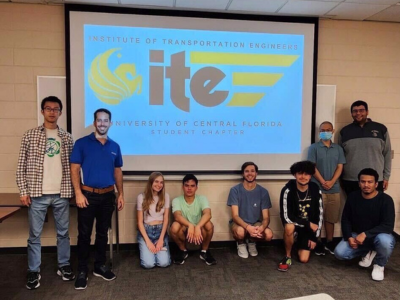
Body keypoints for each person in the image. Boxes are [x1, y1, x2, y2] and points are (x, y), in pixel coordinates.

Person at [16, 96, 75, 290]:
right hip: (37, 194)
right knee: (34, 235)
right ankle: (34, 270)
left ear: (60, 112)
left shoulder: (67, 138)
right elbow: (21, 166)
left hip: (61, 194)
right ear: (42, 111)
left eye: (55, 109)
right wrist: (23, 191)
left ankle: (64, 266)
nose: (52, 112)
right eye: (48, 108)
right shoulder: (30, 135)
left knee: (63, 233)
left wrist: (75, 191)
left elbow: (73, 168)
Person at [70, 108, 124, 290]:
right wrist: (78, 193)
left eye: (105, 120)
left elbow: (117, 171)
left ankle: (100, 266)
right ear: (94, 123)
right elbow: (75, 169)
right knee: (84, 235)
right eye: (99, 120)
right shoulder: (81, 143)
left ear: (110, 123)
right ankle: (82, 270)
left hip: (108, 196)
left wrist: (121, 194)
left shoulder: (115, 147)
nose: (102, 123)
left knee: (103, 233)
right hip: (87, 196)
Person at [334, 168, 395, 281]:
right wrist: (349, 237)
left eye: (370, 182)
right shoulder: (353, 197)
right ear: (359, 183)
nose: (366, 185)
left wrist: (366, 234)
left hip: (379, 236)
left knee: (385, 242)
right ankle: (369, 250)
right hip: (357, 236)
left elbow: (388, 226)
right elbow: (345, 219)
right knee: (339, 253)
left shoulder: (386, 200)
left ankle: (379, 265)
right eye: (363, 181)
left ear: (376, 184)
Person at [307, 121, 346, 255]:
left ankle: (329, 242)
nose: (326, 132)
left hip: (334, 188)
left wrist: (332, 182)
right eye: (323, 130)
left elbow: (340, 166)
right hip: (318, 187)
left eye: (328, 130)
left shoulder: (338, 149)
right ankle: (316, 242)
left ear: (333, 131)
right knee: (317, 217)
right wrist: (323, 182)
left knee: (331, 217)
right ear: (319, 131)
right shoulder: (313, 148)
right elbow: (312, 167)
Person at [278, 161, 323, 272]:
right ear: (295, 175)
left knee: (303, 259)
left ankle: (298, 241)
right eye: (300, 173)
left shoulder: (315, 189)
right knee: (289, 227)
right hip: (295, 224)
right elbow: (286, 216)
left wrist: (314, 237)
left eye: (306, 174)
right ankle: (288, 256)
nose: (303, 177)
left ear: (311, 175)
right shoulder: (287, 190)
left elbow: (320, 214)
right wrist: (307, 224)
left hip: (309, 228)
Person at [339, 100, 391, 195]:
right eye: (355, 111)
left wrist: (386, 177)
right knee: (354, 209)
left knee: (374, 208)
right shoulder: (344, 131)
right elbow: (340, 158)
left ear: (367, 112)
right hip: (351, 180)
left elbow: (387, 154)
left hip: (375, 180)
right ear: (352, 113)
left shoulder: (381, 129)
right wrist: (341, 178)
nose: (358, 113)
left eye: (361, 110)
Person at [227, 162, 273, 258]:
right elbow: (235, 216)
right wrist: (248, 227)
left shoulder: (263, 192)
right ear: (243, 174)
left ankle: (252, 242)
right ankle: (241, 243)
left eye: (252, 171)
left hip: (255, 223)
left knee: (268, 234)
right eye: (247, 171)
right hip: (239, 224)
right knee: (240, 232)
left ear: (256, 173)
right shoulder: (235, 190)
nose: (250, 173)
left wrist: (262, 228)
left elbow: (266, 217)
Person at [170, 174, 216, 266]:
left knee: (209, 225)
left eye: (192, 186)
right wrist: (190, 225)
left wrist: (198, 226)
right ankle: (183, 250)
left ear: (196, 187)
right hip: (185, 233)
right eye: (187, 186)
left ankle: (204, 251)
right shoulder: (176, 200)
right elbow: (177, 216)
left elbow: (208, 214)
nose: (189, 188)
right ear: (183, 187)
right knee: (174, 226)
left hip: (200, 233)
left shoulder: (202, 198)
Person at [136, 172, 171, 268]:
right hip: (146, 232)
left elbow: (166, 219)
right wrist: (148, 242)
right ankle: (150, 251)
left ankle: (157, 250)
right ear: (151, 182)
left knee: (164, 263)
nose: (159, 185)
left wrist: (161, 240)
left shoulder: (166, 196)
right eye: (156, 181)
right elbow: (139, 222)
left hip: (160, 232)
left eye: (161, 182)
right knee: (148, 264)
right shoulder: (141, 197)